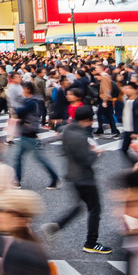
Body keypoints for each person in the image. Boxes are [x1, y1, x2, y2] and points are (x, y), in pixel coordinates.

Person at [44, 104, 110, 254]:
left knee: (78, 206)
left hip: (72, 175)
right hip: (84, 178)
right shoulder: (79, 136)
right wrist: (96, 153)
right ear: (88, 119)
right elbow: (86, 160)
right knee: (95, 209)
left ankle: (56, 226)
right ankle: (91, 243)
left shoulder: (67, 129)